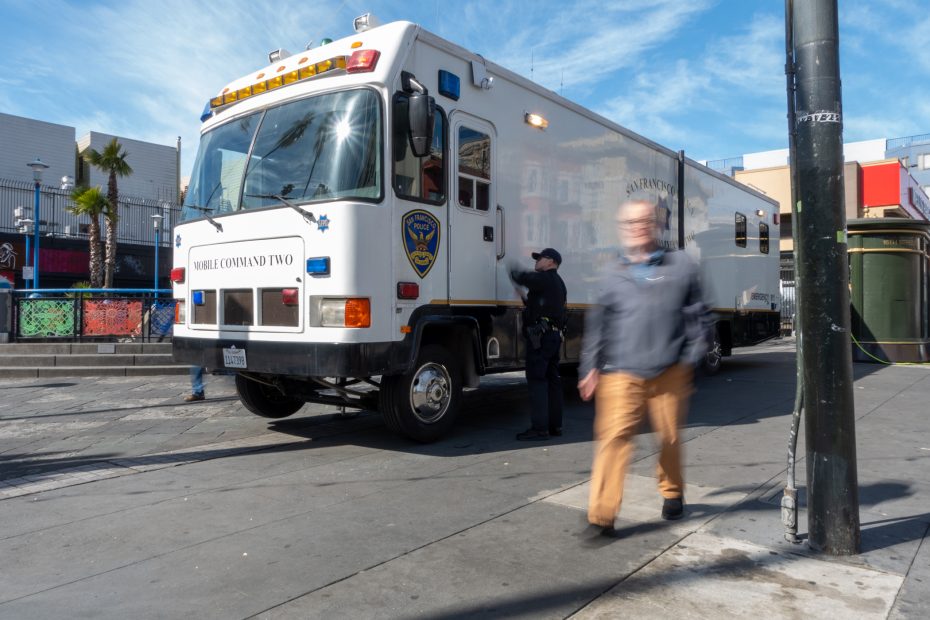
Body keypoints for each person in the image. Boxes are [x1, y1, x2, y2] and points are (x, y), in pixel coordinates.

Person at [578, 199, 708, 534]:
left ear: (656, 224)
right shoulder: (611, 272)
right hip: (620, 370)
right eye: (630, 222)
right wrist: (589, 367)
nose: (637, 227)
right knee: (613, 439)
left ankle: (672, 491)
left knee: (668, 438)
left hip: (670, 369)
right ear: (622, 229)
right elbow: (599, 324)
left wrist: (693, 355)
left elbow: (698, 313)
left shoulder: (681, 264)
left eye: (644, 220)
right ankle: (601, 516)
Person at [509, 247, 568, 441]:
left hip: (540, 339)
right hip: (552, 337)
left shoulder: (544, 279)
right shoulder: (559, 283)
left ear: (551, 262)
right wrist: (525, 299)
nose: (536, 262)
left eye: (540, 258)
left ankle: (539, 428)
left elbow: (521, 276)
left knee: (537, 381)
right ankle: (555, 426)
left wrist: (508, 262)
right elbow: (544, 306)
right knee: (553, 382)